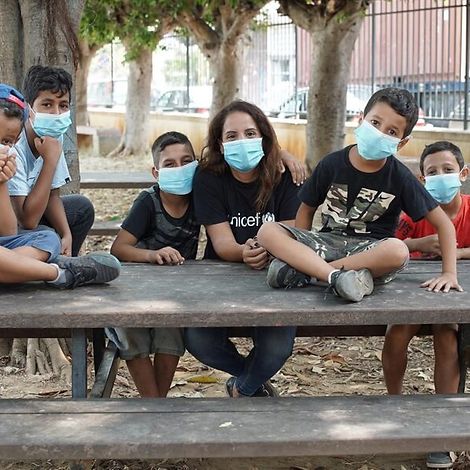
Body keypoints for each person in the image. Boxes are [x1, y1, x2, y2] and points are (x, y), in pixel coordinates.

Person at [257, 88, 462, 303]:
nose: (380, 133)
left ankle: (309, 273)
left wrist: (449, 273)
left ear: (402, 143)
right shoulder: (331, 164)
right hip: (325, 244)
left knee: (398, 250)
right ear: (362, 120)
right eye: (375, 123)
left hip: (369, 252)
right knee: (267, 231)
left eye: (392, 132)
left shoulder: (401, 177)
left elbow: (445, 225)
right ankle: (338, 277)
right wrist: (301, 247)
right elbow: (306, 210)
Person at [185, 100, 301, 398]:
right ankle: (250, 383)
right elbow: (222, 243)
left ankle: (242, 388)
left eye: (250, 133)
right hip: (222, 280)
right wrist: (244, 251)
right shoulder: (209, 177)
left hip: (276, 279)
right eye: (232, 136)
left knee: (277, 348)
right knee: (199, 339)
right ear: (220, 145)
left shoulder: (285, 174)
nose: (242, 142)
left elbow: (291, 234)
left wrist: (270, 250)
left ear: (264, 137)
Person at [382, 141, 469, 470]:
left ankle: (442, 431)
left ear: (463, 174)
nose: (440, 177)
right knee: (398, 330)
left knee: (447, 336)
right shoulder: (415, 213)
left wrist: (455, 254)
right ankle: (394, 406)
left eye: (448, 170)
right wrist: (419, 244)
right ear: (422, 180)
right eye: (432, 172)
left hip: (451, 294)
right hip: (410, 294)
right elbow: (390, 243)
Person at [106, 131, 200, 397]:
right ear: (156, 172)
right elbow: (119, 248)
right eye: (169, 164)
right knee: (131, 331)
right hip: (136, 289)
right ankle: (154, 404)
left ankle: (157, 404)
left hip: (176, 291)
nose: (179, 169)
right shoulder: (149, 201)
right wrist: (153, 254)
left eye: (186, 161)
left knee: (170, 332)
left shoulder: (201, 197)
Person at [0, 83, 120, 288]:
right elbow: (27, 220)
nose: (3, 148)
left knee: (48, 238)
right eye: (47, 104)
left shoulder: (47, 142)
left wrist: (1, 182)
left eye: (7, 141)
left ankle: (17, 268)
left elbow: (8, 232)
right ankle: (58, 271)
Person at [8, 65, 94, 257]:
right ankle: (51, 265)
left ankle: (65, 258)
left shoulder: (54, 136)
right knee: (46, 235)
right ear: (29, 109)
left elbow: (53, 195)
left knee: (81, 208)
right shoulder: (15, 143)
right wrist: (50, 161)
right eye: (47, 104)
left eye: (63, 105)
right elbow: (27, 220)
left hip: (32, 212)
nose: (56, 113)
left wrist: (66, 234)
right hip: (10, 223)